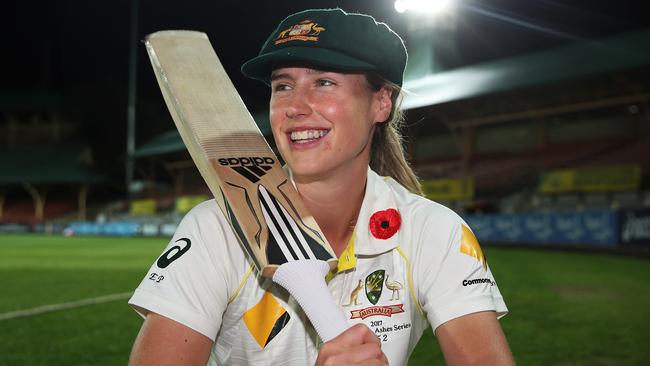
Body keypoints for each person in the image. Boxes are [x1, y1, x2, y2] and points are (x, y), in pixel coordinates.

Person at [129, 8, 514, 366]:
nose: (295, 106)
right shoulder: (217, 228)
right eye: (283, 87)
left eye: (324, 82)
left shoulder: (433, 230)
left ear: (381, 103)